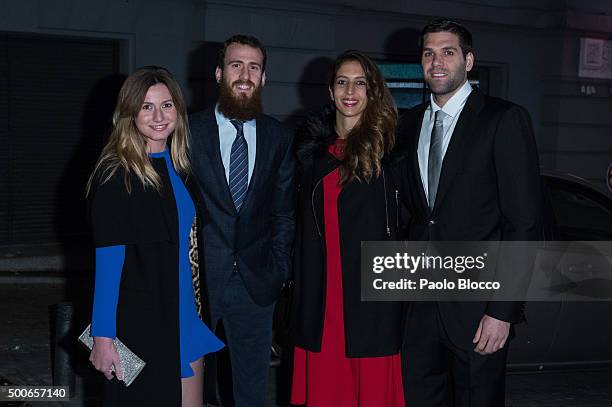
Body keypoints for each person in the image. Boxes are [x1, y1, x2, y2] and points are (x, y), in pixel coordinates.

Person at [397, 19, 542, 406]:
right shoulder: (407, 124)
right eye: (429, 53)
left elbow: (524, 223)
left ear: (469, 60)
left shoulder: (503, 119)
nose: (437, 62)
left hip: (478, 310)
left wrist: (503, 310)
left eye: (448, 52)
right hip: (418, 307)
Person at [87, 66, 224, 407]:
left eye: (167, 105)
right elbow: (108, 261)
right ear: (130, 114)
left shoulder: (180, 168)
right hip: (142, 321)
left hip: (186, 313)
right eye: (146, 107)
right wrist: (102, 336)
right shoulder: (116, 173)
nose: (158, 116)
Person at [289, 50, 405, 407]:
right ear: (330, 90)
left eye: (360, 82)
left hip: (373, 301)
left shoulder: (394, 150)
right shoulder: (310, 152)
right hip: (321, 298)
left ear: (372, 91)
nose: (350, 90)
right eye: (342, 82)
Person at [189, 34, 295, 406]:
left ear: (264, 78)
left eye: (254, 67)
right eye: (236, 65)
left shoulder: (279, 137)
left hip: (255, 282)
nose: (245, 74)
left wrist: (278, 268)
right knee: (195, 386)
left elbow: (284, 210)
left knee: (250, 390)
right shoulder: (187, 131)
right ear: (219, 73)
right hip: (197, 281)